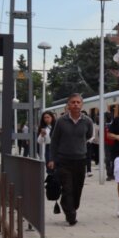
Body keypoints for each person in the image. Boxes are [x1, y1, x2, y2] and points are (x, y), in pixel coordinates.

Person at [48, 93, 94, 226]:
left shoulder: (87, 121)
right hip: (64, 161)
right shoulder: (61, 122)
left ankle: (69, 206)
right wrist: (52, 159)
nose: (75, 104)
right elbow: (54, 141)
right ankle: (71, 215)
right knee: (67, 188)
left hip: (80, 160)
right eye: (73, 102)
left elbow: (89, 135)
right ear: (68, 105)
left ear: (82, 104)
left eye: (78, 102)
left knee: (77, 189)